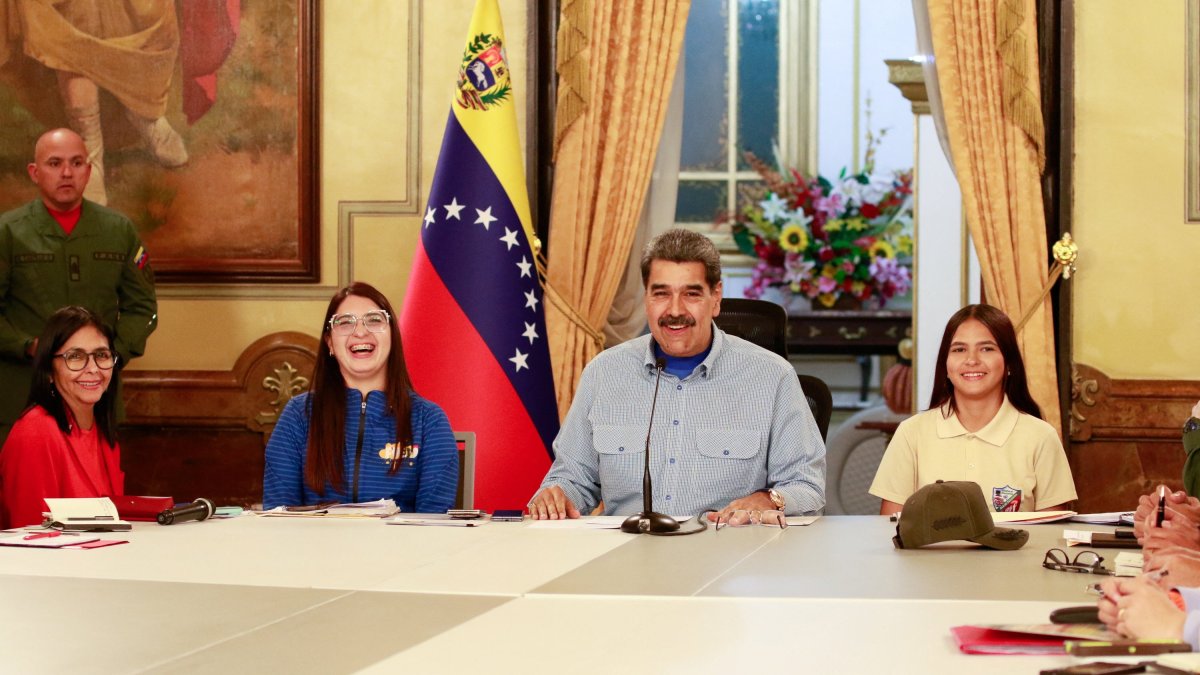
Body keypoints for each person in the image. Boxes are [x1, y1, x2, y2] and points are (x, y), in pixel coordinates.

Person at [527, 228, 826, 522]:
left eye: (691, 294)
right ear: (646, 298)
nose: (675, 310)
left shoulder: (772, 377)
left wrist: (768, 499)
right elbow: (573, 478)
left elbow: (808, 487)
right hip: (625, 558)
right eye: (661, 294)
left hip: (728, 556)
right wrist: (557, 496)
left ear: (716, 297)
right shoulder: (604, 373)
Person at [0, 128, 158, 448]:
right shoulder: (8, 232)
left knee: (96, 492)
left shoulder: (118, 230)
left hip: (95, 399)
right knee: (23, 494)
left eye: (76, 162)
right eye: (54, 163)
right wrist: (27, 345)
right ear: (35, 172)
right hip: (23, 392)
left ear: (89, 170)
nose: (67, 173)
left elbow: (142, 308)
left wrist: (110, 355)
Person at [262, 282, 459, 513]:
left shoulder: (429, 420)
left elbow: (434, 524)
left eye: (374, 320)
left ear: (392, 336)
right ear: (329, 343)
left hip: (402, 549)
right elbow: (278, 515)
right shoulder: (299, 415)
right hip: (315, 548)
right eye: (345, 322)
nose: (360, 331)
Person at [869, 304, 1077, 515]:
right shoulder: (910, 433)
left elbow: (1051, 536)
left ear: (1009, 364)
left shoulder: (1041, 437)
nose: (971, 360)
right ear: (946, 365)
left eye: (986, 349)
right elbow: (891, 529)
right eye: (959, 350)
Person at [0, 306, 124, 529]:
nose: (93, 368)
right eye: (75, 357)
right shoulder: (36, 432)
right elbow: (29, 538)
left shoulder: (103, 430)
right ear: (48, 370)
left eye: (101, 355)